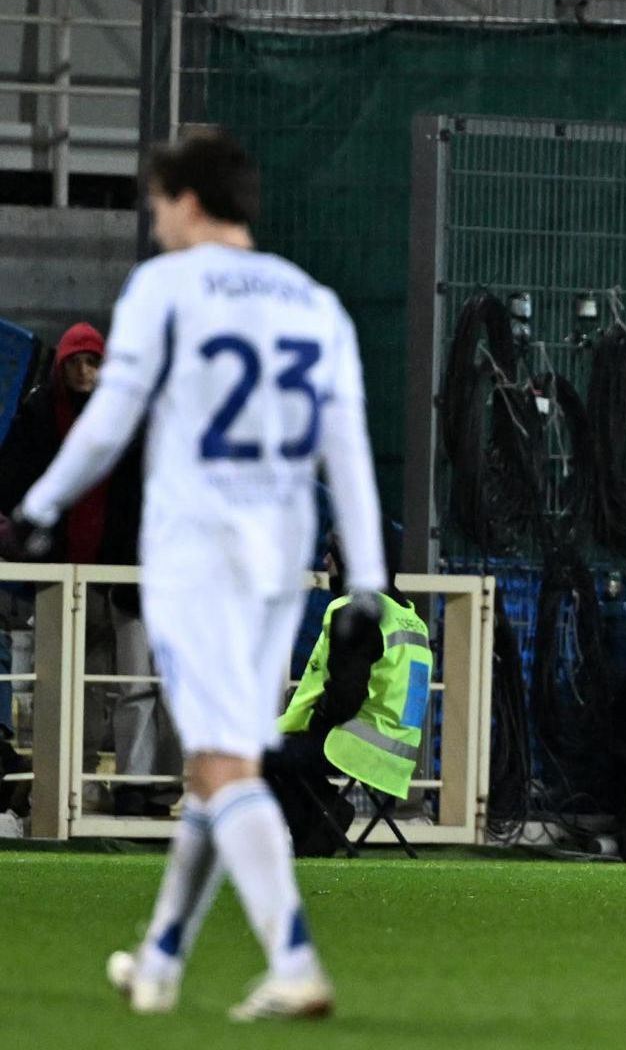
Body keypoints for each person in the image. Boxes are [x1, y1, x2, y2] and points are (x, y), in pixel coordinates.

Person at [14, 129, 387, 1020]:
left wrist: (39, 504)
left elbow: (107, 423)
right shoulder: (314, 302)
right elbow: (348, 452)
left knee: (224, 766)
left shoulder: (165, 288)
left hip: (198, 549)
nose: (153, 220)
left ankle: (293, 957)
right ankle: (161, 958)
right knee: (223, 766)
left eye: (154, 203)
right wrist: (366, 582)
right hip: (281, 549)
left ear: (183, 200)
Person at [0, 322, 177, 817]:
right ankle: (67, 785)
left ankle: (131, 785)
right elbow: (10, 477)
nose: (84, 371)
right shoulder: (40, 415)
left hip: (124, 573)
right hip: (63, 576)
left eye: (92, 362)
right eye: (76, 362)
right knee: (71, 686)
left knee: (134, 684)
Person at [265, 526, 429, 858]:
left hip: (353, 746)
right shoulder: (410, 619)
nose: (326, 561)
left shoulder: (356, 612)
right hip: (399, 756)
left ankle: (321, 822)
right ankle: (325, 816)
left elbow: (343, 699)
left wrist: (312, 721)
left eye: (334, 552)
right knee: (284, 751)